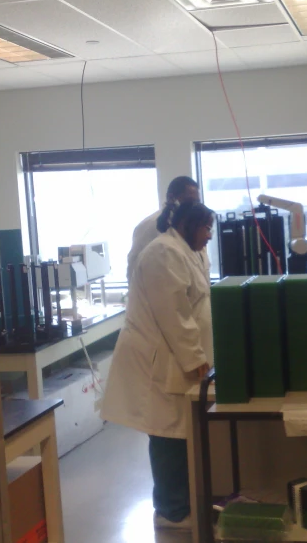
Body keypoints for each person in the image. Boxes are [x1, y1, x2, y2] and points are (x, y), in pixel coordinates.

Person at [102, 201, 215, 531]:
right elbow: (175, 316)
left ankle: (182, 502)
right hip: (160, 361)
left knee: (179, 433)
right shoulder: (162, 253)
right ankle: (170, 510)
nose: (209, 236)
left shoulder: (187, 250)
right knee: (167, 434)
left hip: (174, 358)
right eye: (205, 228)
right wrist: (196, 360)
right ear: (187, 225)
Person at [126, 176, 201, 282]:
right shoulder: (149, 226)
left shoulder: (193, 226)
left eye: (197, 202)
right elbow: (134, 268)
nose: (194, 206)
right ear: (172, 198)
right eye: (189, 201)